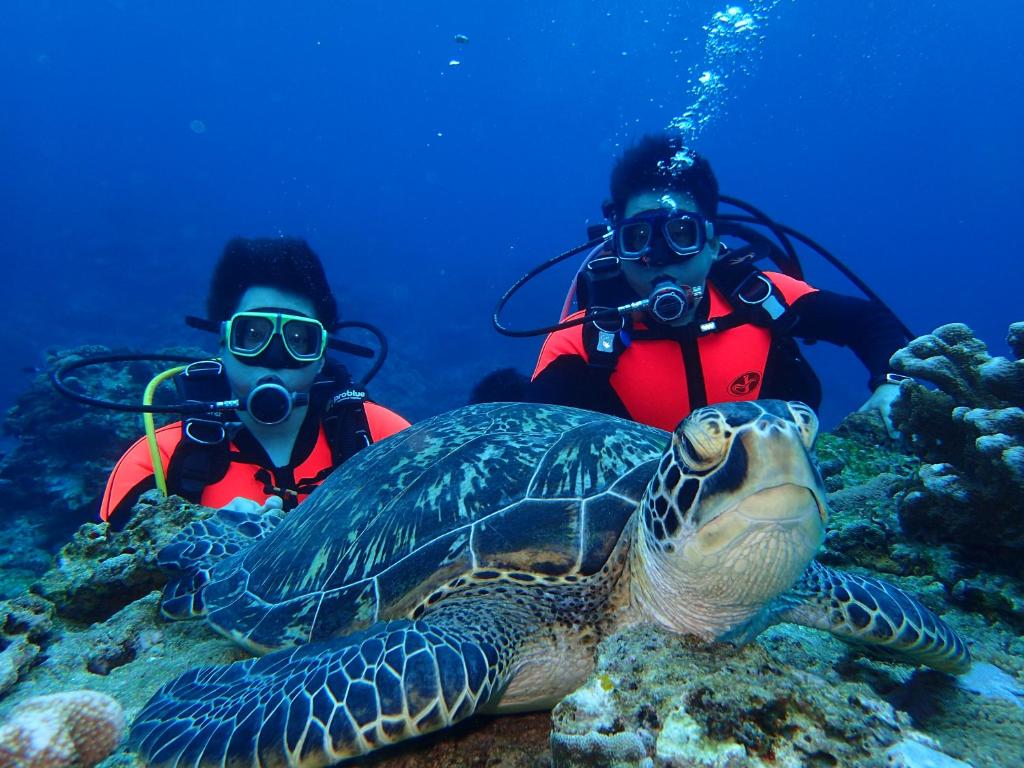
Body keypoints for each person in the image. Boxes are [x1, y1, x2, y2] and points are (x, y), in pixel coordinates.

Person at [528, 133, 909, 434]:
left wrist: (892, 384)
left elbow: (869, 321)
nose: (659, 258)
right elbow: (530, 437)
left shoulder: (763, 297)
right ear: (617, 247)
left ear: (713, 244)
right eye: (638, 238)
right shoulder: (581, 342)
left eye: (681, 233)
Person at [100, 237, 410, 523]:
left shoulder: (387, 437)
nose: (273, 356)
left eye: (298, 339)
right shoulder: (160, 460)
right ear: (222, 344)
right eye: (252, 335)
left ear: (321, 356)